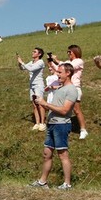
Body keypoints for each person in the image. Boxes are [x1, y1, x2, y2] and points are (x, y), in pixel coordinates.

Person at [30, 62, 77, 190]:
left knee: (63, 154)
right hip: (52, 124)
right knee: (47, 154)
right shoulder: (60, 88)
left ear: (68, 73)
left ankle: (67, 184)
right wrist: (42, 103)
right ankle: (42, 182)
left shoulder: (71, 90)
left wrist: (46, 104)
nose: (57, 75)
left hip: (61, 125)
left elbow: (64, 110)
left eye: (60, 72)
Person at [51, 44, 89, 139]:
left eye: (70, 52)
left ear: (75, 52)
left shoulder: (79, 61)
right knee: (63, 109)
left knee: (76, 110)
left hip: (75, 87)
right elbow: (59, 69)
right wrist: (51, 62)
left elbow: (69, 67)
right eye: (67, 52)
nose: (68, 54)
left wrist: (57, 60)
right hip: (65, 88)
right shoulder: (67, 62)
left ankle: (83, 130)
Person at [16, 48, 46, 130]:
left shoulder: (40, 62)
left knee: (40, 104)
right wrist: (20, 63)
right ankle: (37, 123)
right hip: (32, 85)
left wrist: (22, 62)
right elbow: (23, 68)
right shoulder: (31, 62)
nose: (32, 53)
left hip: (38, 85)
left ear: (39, 54)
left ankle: (42, 123)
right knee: (34, 104)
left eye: (34, 52)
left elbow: (31, 69)